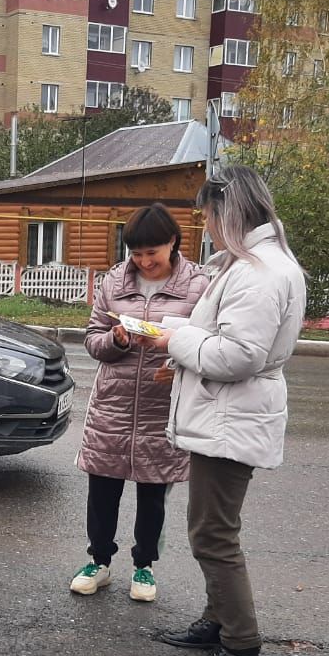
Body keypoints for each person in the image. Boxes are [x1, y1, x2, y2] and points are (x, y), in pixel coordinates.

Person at [143, 166, 307, 656]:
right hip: (227, 414)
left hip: (229, 416)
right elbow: (219, 335)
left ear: (228, 211)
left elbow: (238, 354)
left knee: (213, 535)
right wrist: (171, 332)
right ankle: (218, 624)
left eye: (209, 215)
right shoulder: (252, 265)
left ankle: (240, 650)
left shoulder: (259, 272)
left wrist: (171, 343)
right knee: (213, 528)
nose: (206, 225)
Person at [71, 204, 208, 602]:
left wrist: (180, 362)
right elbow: (93, 338)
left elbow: (205, 342)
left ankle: (144, 567)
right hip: (113, 404)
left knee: (152, 495)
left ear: (173, 243)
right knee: (103, 491)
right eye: (137, 254)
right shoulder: (113, 283)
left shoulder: (198, 286)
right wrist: (114, 341)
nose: (145, 262)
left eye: (153, 253)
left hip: (161, 407)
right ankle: (98, 561)